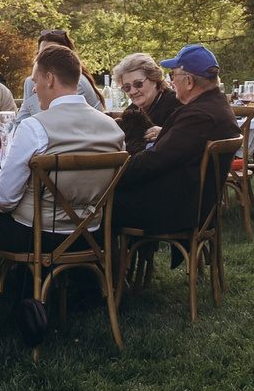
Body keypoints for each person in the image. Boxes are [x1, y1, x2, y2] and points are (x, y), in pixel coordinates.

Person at [0, 45, 125, 341]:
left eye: (36, 82)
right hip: (90, 232)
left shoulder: (36, 128)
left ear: (49, 79)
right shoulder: (113, 129)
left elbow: (3, 199)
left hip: (38, 233)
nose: (35, 90)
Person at [114, 44, 240, 239]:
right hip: (187, 201)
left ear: (188, 81)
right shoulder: (214, 106)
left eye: (173, 76)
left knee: (98, 203)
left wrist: (112, 174)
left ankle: (100, 267)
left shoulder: (199, 116)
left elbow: (156, 159)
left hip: (179, 209)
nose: (171, 83)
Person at [14, 27, 104, 118]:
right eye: (42, 54)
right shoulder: (31, 83)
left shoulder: (75, 82)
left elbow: (62, 122)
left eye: (55, 54)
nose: (47, 58)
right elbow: (20, 121)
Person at [110, 52, 179, 152]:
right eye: (127, 87)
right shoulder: (134, 109)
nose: (133, 91)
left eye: (138, 84)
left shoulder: (175, 104)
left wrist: (165, 133)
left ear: (154, 80)